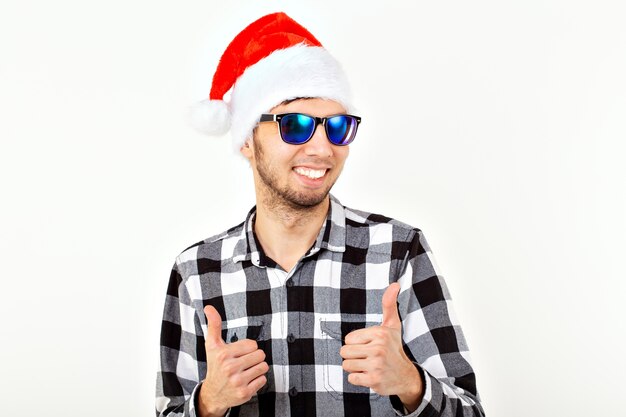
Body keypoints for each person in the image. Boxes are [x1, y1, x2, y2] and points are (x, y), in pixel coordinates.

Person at [156, 12, 485, 417]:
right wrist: (208, 403)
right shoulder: (197, 271)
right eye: (295, 125)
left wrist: (410, 384)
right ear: (246, 139)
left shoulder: (398, 252)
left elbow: (471, 412)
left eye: (338, 127)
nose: (321, 149)